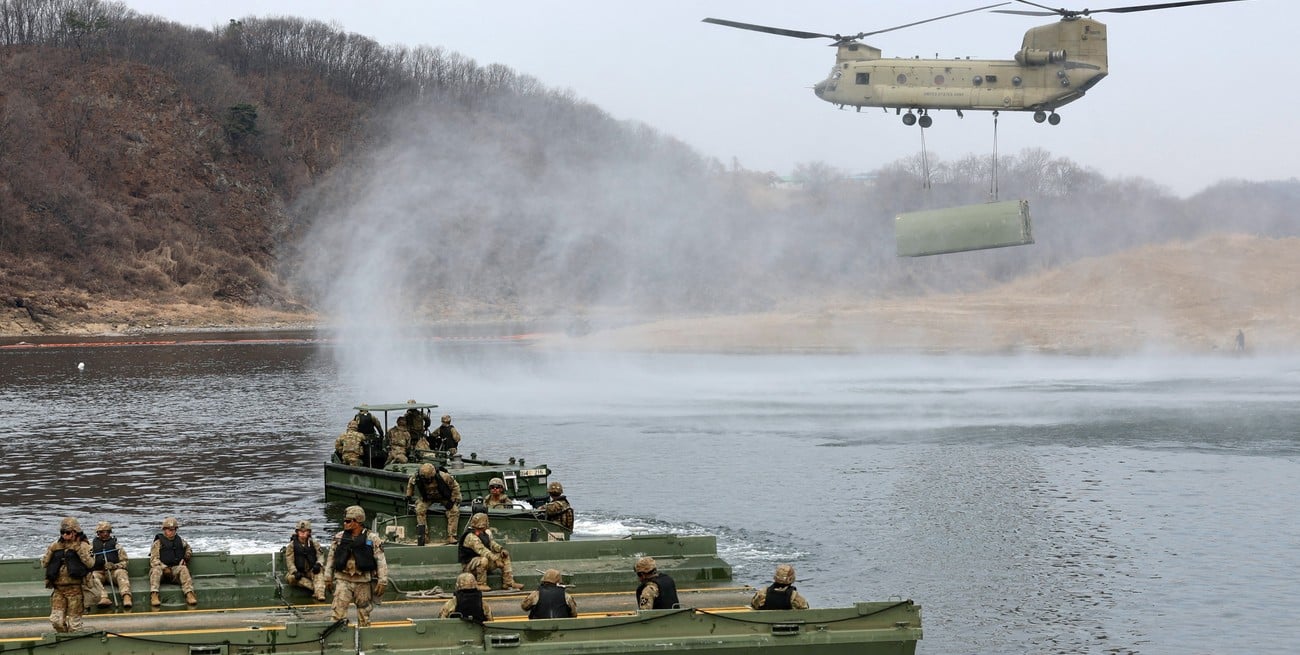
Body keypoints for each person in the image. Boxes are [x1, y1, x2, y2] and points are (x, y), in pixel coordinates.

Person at [323, 505, 388, 627]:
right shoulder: (339, 538)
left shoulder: (371, 538)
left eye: (348, 521)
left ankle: (364, 637)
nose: (345, 523)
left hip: (363, 581)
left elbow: (380, 560)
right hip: (343, 579)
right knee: (338, 612)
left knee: (364, 613)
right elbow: (331, 559)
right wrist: (327, 577)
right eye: (345, 521)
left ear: (357, 522)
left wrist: (382, 580)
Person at [41, 517, 94, 632]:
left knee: (75, 624)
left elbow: (90, 564)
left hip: (75, 589)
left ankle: (76, 644)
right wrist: (51, 551)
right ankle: (64, 637)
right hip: (59, 589)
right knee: (56, 621)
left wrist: (78, 550)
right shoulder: (55, 546)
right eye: (62, 532)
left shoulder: (84, 546)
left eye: (68, 532)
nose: (65, 535)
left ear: (75, 532)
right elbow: (44, 563)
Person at [458, 513, 523, 591]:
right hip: (469, 566)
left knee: (504, 556)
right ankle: (481, 584)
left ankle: (508, 582)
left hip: (482, 562)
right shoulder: (471, 536)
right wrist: (496, 560)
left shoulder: (484, 533)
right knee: (483, 560)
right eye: (486, 521)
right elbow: (482, 550)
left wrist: (501, 549)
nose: (487, 523)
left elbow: (492, 543)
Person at [406, 462, 461, 545]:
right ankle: (424, 535)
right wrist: (409, 495)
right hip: (428, 497)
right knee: (419, 509)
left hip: (443, 496)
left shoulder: (444, 476)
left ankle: (451, 536)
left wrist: (453, 500)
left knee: (454, 511)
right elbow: (410, 484)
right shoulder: (417, 477)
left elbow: (455, 486)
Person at [150, 516, 196, 607]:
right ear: (164, 530)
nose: (172, 532)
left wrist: (186, 557)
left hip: (175, 569)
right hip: (162, 570)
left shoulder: (180, 541)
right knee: (155, 570)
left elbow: (188, 548)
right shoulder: (158, 543)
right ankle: (154, 595)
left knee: (183, 569)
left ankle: (189, 594)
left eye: (173, 529)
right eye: (169, 530)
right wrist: (164, 567)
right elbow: (154, 560)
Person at [87, 521, 132, 609]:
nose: (105, 534)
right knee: (92, 576)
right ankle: (104, 597)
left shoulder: (117, 546)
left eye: (108, 532)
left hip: (113, 572)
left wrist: (114, 566)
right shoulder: (90, 547)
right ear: (98, 533)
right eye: (103, 532)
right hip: (98, 572)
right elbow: (86, 561)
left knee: (121, 573)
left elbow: (125, 562)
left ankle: (126, 596)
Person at [284, 520, 327, 602]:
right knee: (291, 578)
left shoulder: (314, 543)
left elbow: (320, 555)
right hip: (298, 571)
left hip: (311, 569)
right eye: (300, 531)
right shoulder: (291, 546)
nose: (302, 533)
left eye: (305, 531)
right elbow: (289, 561)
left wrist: (318, 564)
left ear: (309, 532)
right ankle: (316, 590)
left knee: (319, 572)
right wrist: (294, 572)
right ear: (297, 532)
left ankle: (320, 594)